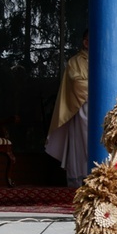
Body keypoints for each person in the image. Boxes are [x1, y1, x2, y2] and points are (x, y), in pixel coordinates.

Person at [45, 29, 89, 188]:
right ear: (85, 42)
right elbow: (77, 83)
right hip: (82, 110)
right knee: (81, 146)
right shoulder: (75, 62)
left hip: (105, 111)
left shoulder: (106, 59)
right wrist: (100, 84)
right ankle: (79, 181)